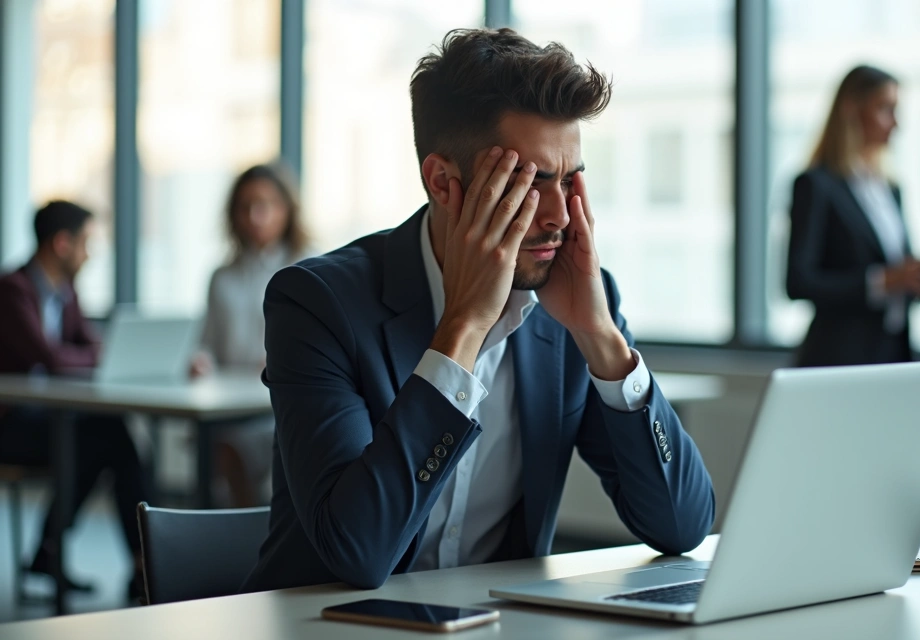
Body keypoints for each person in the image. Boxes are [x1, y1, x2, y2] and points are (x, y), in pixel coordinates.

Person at [241, 28, 715, 593]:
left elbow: (681, 525)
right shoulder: (317, 303)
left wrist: (601, 337)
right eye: (531, 183)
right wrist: (462, 328)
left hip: (498, 624)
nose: (562, 215)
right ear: (444, 183)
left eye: (570, 180)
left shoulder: (578, 303)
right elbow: (358, 551)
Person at [0, 201, 150, 600]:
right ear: (62, 243)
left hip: (46, 418)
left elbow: (86, 345)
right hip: (9, 424)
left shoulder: (65, 292)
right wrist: (101, 355)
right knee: (106, 439)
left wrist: (102, 353)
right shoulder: (12, 290)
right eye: (86, 243)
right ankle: (144, 563)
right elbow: (49, 357)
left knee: (108, 436)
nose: (90, 254)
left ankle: (61, 553)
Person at [786, 65, 920, 367]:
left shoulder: (890, 189)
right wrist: (880, 282)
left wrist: (915, 277)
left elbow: (898, 276)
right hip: (840, 358)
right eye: (885, 109)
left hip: (893, 353)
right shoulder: (816, 185)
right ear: (851, 109)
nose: (896, 123)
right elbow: (798, 281)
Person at [191, 164, 311, 507]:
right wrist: (202, 360)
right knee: (210, 440)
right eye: (245, 207)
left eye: (266, 205)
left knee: (232, 447)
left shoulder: (308, 267)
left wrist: (284, 361)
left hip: (278, 407)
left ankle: (243, 533)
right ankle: (224, 531)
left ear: (287, 210)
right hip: (225, 405)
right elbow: (208, 343)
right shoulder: (222, 276)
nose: (255, 216)